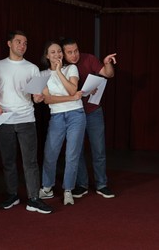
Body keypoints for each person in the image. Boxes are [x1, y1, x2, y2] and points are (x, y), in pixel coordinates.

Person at [0, 30, 53, 214]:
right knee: (8, 160)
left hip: (26, 119)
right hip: (5, 119)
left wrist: (39, 97)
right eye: (19, 42)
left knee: (30, 161)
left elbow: (36, 96)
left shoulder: (31, 68)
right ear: (9, 44)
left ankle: (34, 199)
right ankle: (12, 195)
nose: (22, 45)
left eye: (25, 43)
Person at [61, 38, 116, 199]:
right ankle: (82, 184)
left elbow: (108, 74)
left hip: (93, 111)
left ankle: (101, 184)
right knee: (76, 150)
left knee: (98, 149)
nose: (74, 55)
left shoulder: (89, 59)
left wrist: (107, 63)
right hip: (72, 113)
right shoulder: (60, 67)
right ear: (63, 54)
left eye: (76, 50)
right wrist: (83, 92)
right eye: (70, 52)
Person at [38, 41, 86, 206]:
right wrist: (71, 98)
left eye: (59, 51)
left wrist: (59, 72)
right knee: (50, 153)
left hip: (76, 115)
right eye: (53, 52)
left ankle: (68, 190)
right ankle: (47, 187)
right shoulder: (42, 74)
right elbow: (47, 100)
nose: (57, 55)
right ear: (47, 55)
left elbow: (73, 89)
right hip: (57, 116)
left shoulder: (71, 68)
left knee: (72, 154)